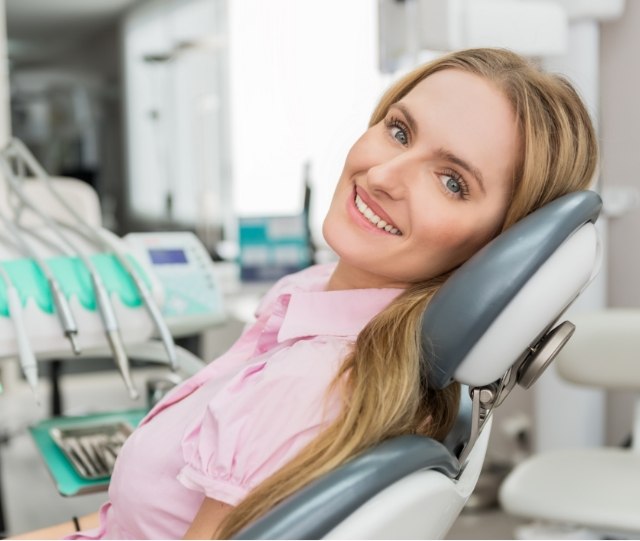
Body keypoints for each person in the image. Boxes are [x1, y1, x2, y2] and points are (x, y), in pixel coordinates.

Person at [15, 47, 597, 540]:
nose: (384, 176)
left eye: (452, 182)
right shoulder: (312, 296)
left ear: (495, 250)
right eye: (399, 131)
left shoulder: (309, 387)